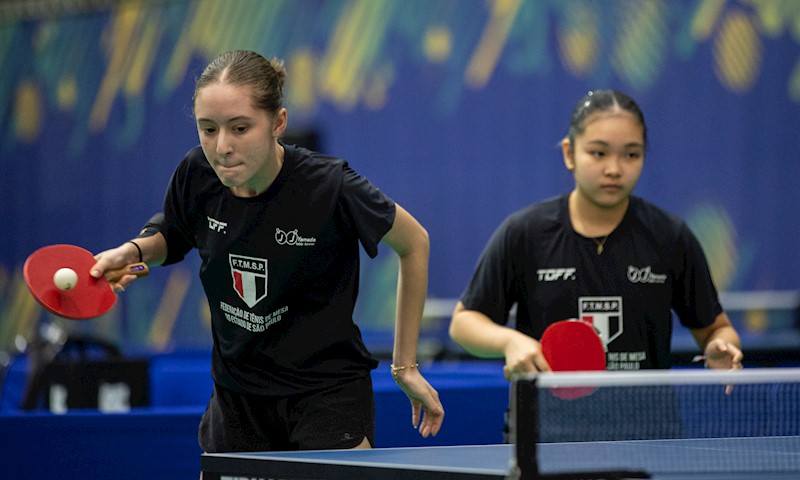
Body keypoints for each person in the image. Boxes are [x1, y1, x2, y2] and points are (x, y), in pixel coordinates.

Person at [90, 50, 444, 454]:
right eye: (208, 129)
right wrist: (133, 250)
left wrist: (405, 367)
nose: (222, 146)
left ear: (278, 123)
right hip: (236, 398)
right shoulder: (197, 174)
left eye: (240, 128)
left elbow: (414, 243)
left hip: (325, 397)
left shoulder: (329, 186)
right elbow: (175, 231)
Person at [449, 90, 743, 441]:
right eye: (598, 153)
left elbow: (715, 329)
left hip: (647, 437)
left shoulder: (670, 236)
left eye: (631, 154)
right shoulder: (525, 233)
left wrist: (720, 347)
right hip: (544, 435)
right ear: (569, 153)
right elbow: (464, 322)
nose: (614, 169)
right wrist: (509, 342)